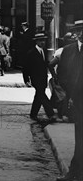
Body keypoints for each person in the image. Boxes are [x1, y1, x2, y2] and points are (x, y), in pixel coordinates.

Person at [55, 20, 83, 181]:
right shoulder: (68, 50)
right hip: (77, 101)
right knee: (79, 138)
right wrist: (71, 94)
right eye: (79, 30)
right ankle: (75, 172)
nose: (81, 33)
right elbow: (62, 75)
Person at [23, 32, 57, 122]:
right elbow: (25, 67)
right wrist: (26, 79)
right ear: (36, 41)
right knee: (42, 95)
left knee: (38, 96)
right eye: (41, 41)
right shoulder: (31, 53)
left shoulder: (44, 51)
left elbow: (45, 64)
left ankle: (33, 114)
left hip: (43, 78)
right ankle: (51, 114)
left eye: (44, 41)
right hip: (35, 78)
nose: (43, 42)